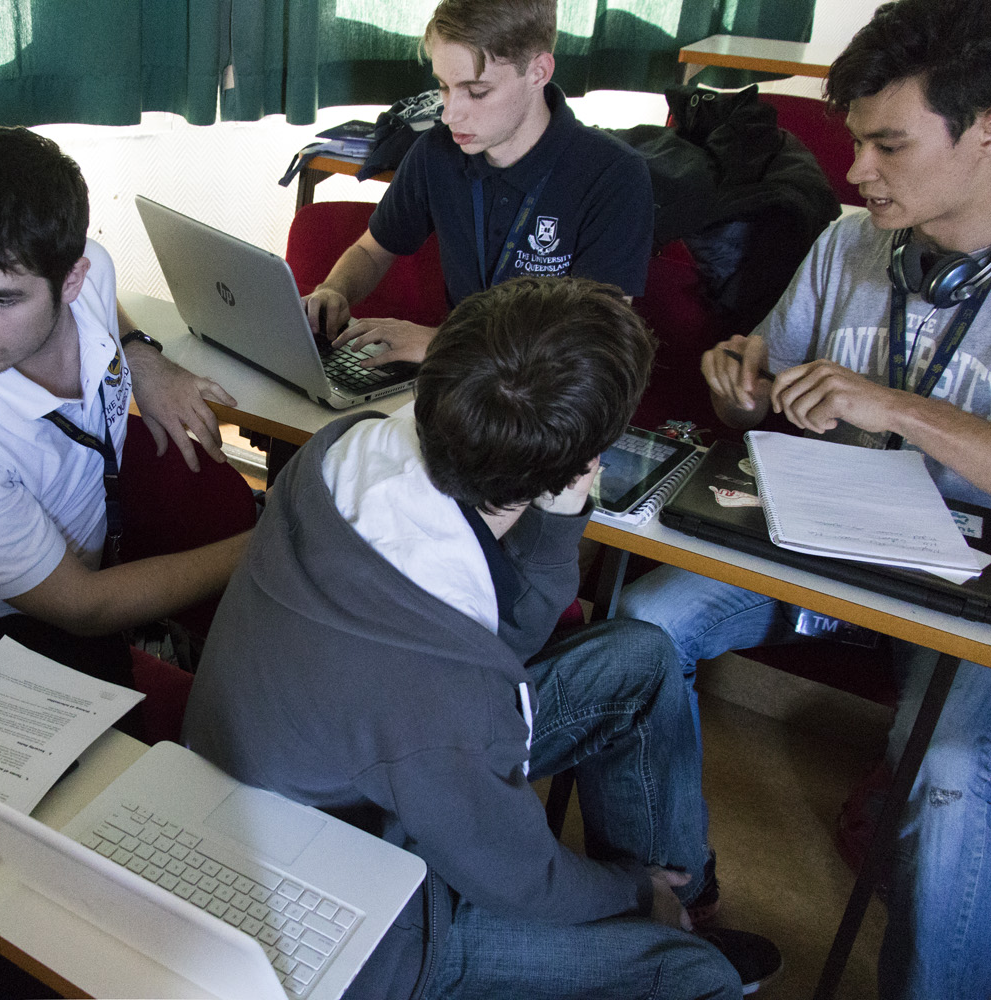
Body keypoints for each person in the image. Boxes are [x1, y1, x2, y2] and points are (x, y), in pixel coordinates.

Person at [184, 277, 779, 999]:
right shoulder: (441, 689)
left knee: (641, 657)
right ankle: (661, 918)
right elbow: (520, 876)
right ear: (585, 464)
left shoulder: (355, 444)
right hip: (340, 910)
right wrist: (627, 888)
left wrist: (556, 513)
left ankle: (674, 906)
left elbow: (498, 634)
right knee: (697, 980)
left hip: (330, 771)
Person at [616, 1, 991, 995]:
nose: (856, 170)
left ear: (985, 131)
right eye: (855, 141)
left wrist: (898, 408)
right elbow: (766, 379)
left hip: (968, 589)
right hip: (825, 532)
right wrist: (740, 386)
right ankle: (682, 895)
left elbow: (883, 406)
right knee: (645, 628)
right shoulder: (846, 243)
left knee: (955, 778)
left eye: (888, 145)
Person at [0, 126, 251, 691]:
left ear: (72, 279)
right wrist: (262, 545)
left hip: (50, 601)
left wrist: (141, 356)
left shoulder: (92, 271)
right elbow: (83, 608)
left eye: (1, 298)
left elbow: (105, 304)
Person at [301, 0, 653, 369]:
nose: (449, 113)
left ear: (538, 72)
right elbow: (372, 251)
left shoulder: (615, 174)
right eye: (444, 87)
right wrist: (335, 288)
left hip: (551, 392)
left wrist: (441, 343)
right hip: (459, 378)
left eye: (477, 91)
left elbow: (597, 342)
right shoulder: (435, 152)